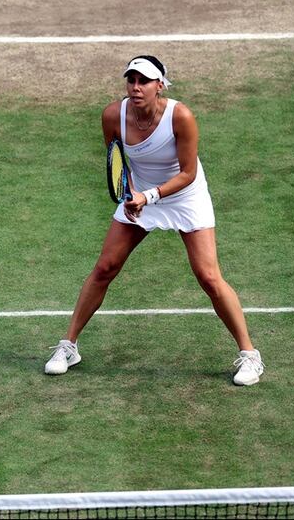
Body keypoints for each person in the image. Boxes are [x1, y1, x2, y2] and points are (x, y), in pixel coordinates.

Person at [44, 55, 264, 386]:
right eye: (131, 80)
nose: (135, 87)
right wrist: (131, 194)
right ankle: (69, 346)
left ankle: (250, 355)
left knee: (208, 276)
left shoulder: (181, 116)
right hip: (141, 195)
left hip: (184, 195)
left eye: (143, 81)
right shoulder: (112, 116)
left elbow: (188, 173)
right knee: (105, 268)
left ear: (160, 85)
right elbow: (118, 163)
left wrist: (149, 197)